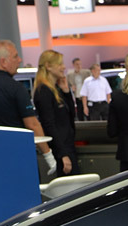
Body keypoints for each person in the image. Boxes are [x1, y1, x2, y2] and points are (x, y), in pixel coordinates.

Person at [0, 39, 56, 180]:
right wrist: (48, 155)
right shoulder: (16, 88)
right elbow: (32, 124)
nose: (20, 60)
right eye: (15, 56)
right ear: (3, 62)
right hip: (19, 156)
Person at [33, 49, 78, 179]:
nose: (63, 67)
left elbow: (71, 116)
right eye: (60, 64)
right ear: (48, 66)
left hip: (67, 146)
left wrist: (66, 92)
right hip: (61, 149)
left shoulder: (55, 90)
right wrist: (62, 154)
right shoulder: (43, 91)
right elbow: (49, 125)